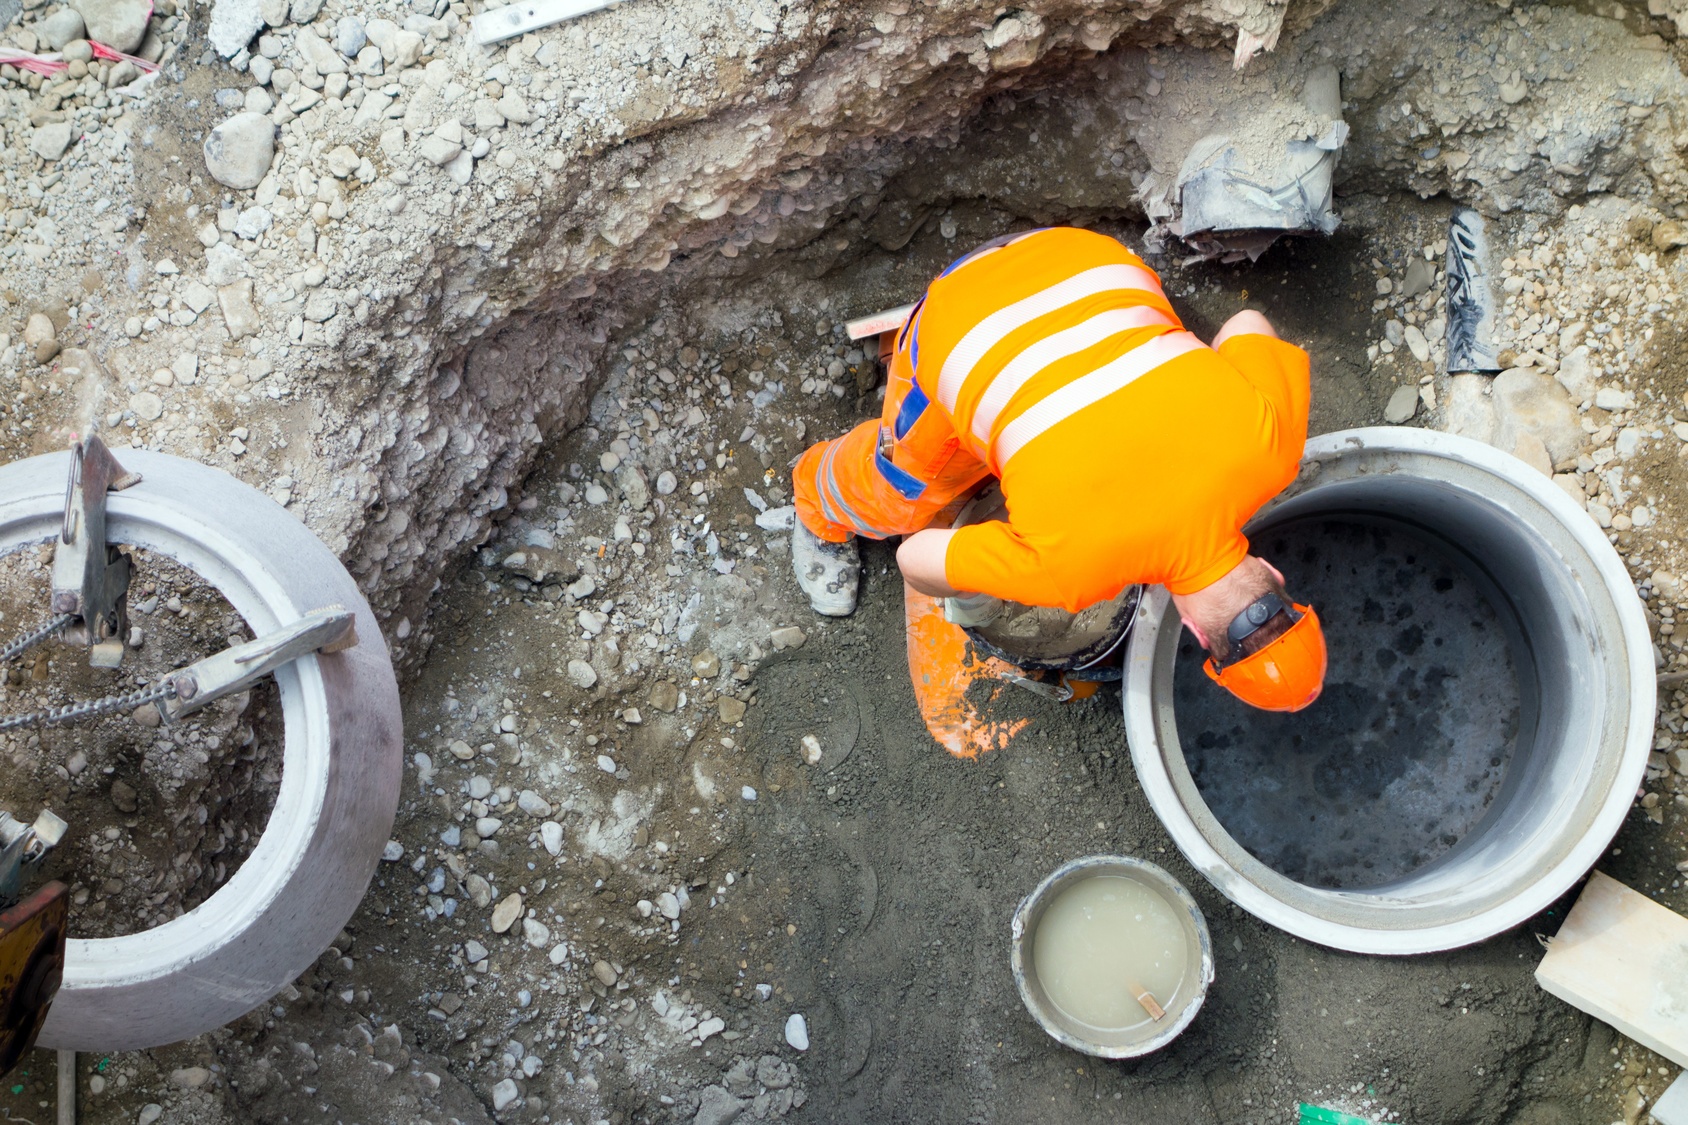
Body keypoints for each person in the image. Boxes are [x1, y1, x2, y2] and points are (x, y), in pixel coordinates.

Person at [790, 226, 1325, 712]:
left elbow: (1246, 323)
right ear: (1197, 635)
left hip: (1083, 256)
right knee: (900, 495)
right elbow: (914, 558)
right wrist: (973, 594)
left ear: (1275, 576)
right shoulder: (1066, 574)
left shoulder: (1275, 452)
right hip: (963, 314)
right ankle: (816, 502)